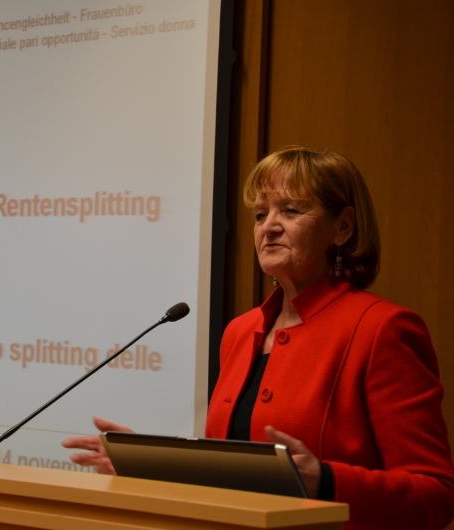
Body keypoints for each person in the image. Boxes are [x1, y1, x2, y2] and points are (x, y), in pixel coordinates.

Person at [62, 147, 454, 530]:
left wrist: (326, 481)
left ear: (343, 227)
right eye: (261, 215)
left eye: (292, 210)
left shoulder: (382, 329)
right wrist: (153, 467)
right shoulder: (240, 331)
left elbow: (436, 495)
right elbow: (234, 473)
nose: (270, 226)